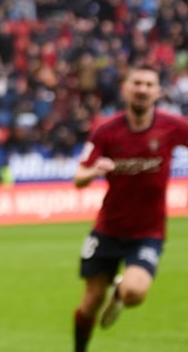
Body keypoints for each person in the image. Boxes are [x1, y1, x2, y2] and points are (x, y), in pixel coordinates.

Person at [72, 64, 188, 352]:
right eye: (137, 83)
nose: (142, 89)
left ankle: (120, 293)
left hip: (148, 233)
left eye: (149, 85)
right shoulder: (105, 130)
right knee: (90, 302)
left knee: (134, 292)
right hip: (107, 230)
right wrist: (94, 171)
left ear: (158, 92)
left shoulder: (173, 126)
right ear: (125, 89)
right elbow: (79, 178)